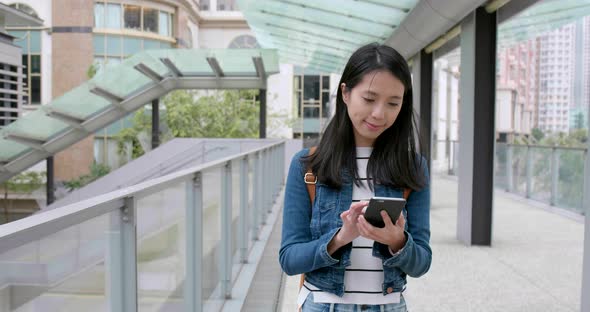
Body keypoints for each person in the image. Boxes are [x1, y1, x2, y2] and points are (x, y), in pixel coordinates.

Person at [279, 43, 431, 312]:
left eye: (393, 103)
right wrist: (339, 238)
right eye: (369, 99)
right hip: (323, 306)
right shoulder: (307, 166)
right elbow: (289, 259)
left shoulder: (413, 168)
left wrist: (398, 241)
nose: (379, 114)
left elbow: (422, 263)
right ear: (346, 93)